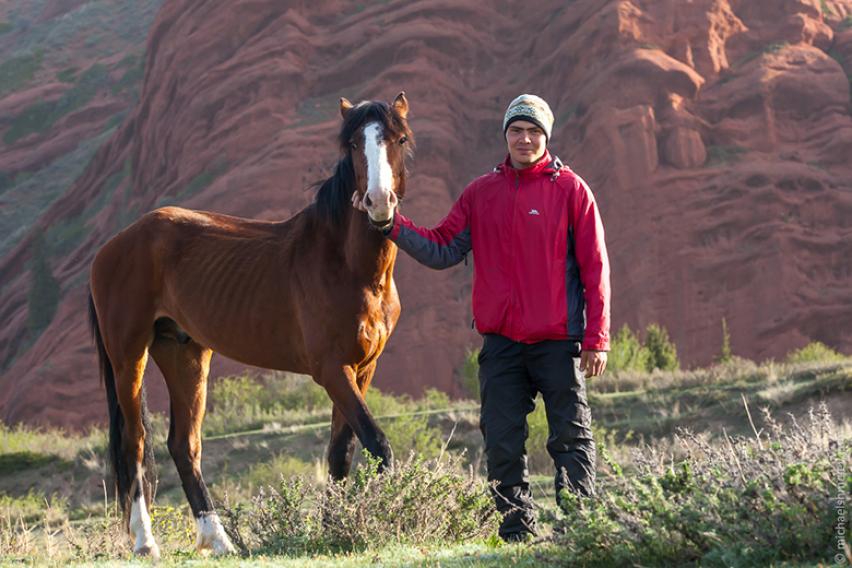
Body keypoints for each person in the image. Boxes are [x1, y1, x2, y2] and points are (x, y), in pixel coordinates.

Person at [353, 94, 610, 541]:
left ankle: (580, 531)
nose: (525, 139)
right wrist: (389, 222)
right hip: (502, 345)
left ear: (545, 137)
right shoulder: (481, 193)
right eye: (516, 131)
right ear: (506, 135)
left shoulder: (571, 190)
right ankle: (515, 533)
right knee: (502, 444)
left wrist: (596, 338)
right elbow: (442, 247)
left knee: (571, 438)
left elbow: (595, 268)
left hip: (558, 341)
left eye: (533, 132)